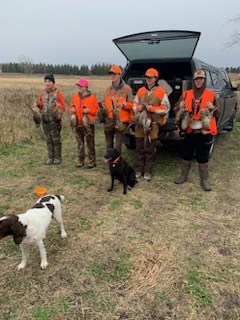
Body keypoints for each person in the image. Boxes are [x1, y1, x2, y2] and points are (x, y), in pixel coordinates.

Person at [174, 69, 219, 191]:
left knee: (203, 157)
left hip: (203, 132)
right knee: (186, 154)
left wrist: (213, 107)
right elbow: (175, 108)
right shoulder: (186, 94)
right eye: (196, 79)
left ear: (204, 80)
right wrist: (180, 106)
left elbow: (218, 113)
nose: (199, 81)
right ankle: (183, 176)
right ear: (193, 81)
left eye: (201, 79)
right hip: (188, 130)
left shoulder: (211, 95)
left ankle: (204, 180)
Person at [132, 68, 170, 181]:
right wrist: (138, 108)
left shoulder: (161, 92)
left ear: (155, 79)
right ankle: (139, 169)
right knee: (139, 147)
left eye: (151, 77)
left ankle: (148, 171)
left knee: (150, 149)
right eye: (147, 77)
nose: (148, 79)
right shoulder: (140, 91)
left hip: (153, 124)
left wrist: (152, 109)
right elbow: (134, 105)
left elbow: (166, 108)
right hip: (140, 124)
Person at [102, 65, 133, 154]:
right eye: (111, 74)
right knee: (108, 144)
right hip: (109, 120)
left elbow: (132, 104)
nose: (113, 76)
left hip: (121, 121)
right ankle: (110, 162)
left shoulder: (127, 89)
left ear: (120, 75)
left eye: (115, 74)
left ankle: (117, 162)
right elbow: (105, 104)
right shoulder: (107, 90)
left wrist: (124, 105)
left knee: (118, 145)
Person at [36, 73, 66, 165]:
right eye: (46, 81)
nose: (47, 83)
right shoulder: (42, 93)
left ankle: (57, 157)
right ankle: (50, 157)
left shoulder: (58, 93)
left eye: (49, 81)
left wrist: (58, 106)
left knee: (56, 140)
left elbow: (63, 107)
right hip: (45, 120)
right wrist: (36, 106)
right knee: (48, 140)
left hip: (55, 121)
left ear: (53, 83)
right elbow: (40, 105)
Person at [69, 78, 99, 168]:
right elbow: (71, 107)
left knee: (90, 143)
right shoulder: (75, 96)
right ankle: (80, 160)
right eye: (78, 85)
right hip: (78, 124)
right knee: (80, 144)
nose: (79, 87)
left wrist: (89, 110)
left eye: (81, 86)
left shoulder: (92, 97)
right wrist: (72, 110)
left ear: (86, 87)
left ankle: (92, 161)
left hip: (88, 124)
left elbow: (97, 111)